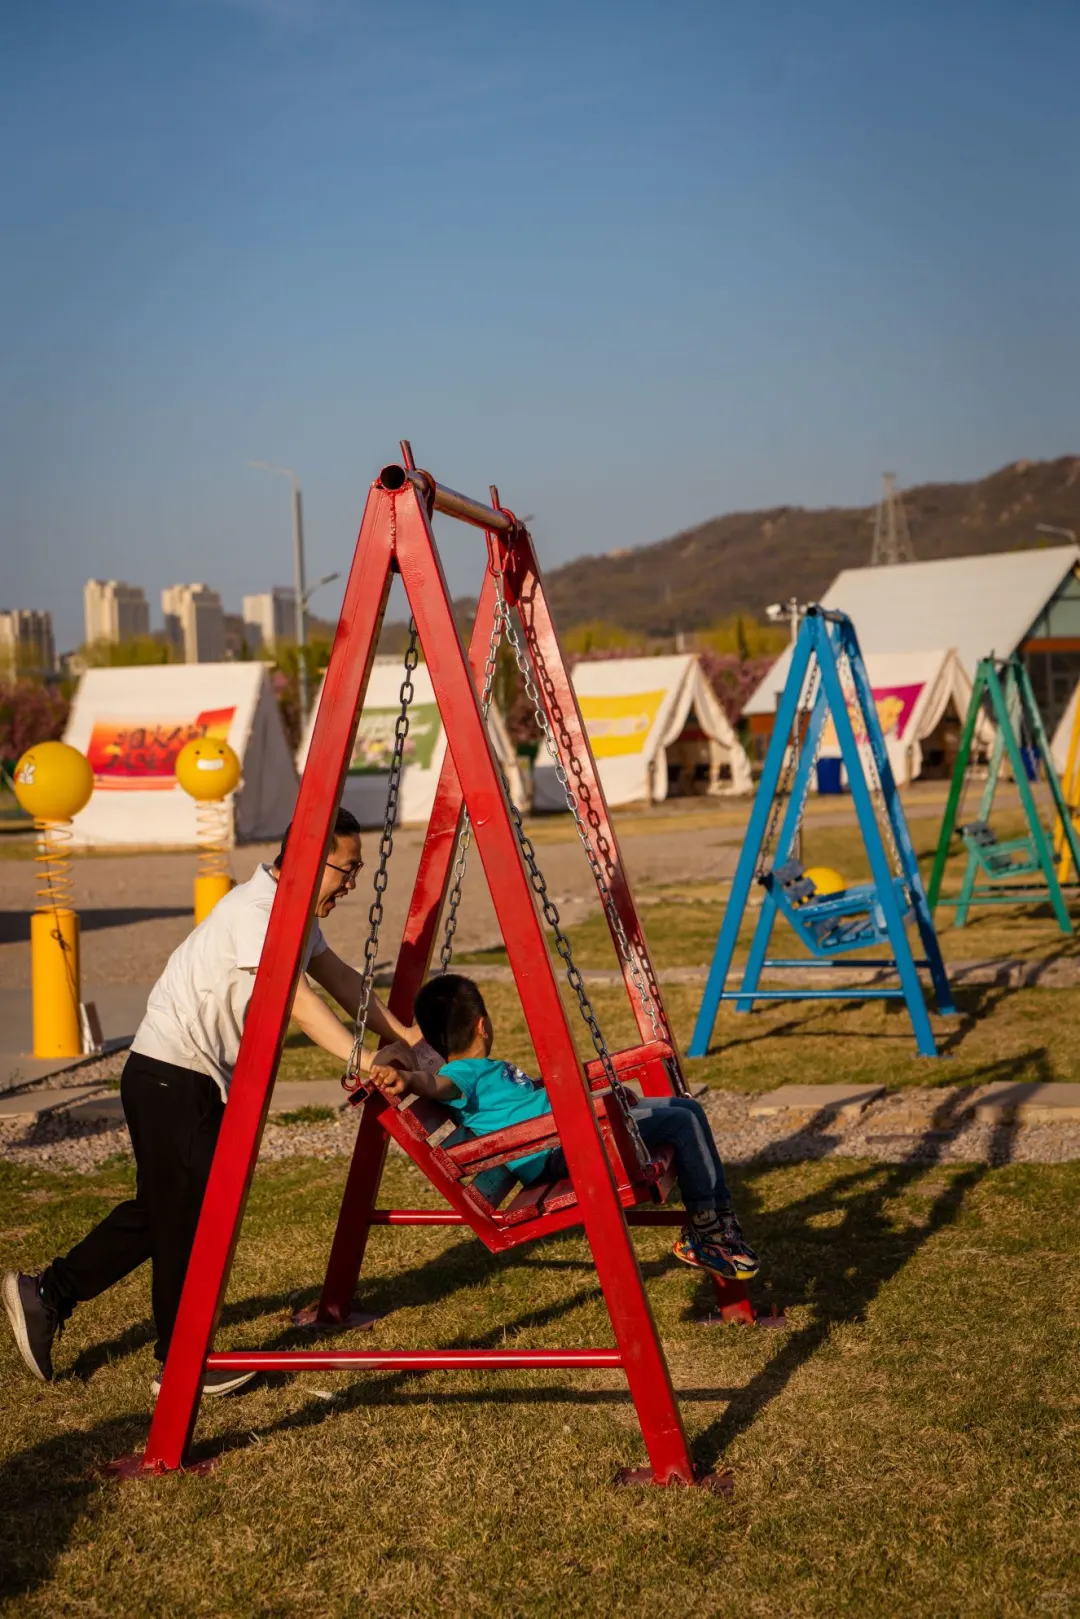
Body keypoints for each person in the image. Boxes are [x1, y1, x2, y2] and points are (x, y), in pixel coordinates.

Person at [2, 807, 420, 1398]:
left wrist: (410, 1039)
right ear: (307, 861)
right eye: (345, 871)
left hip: (181, 1077)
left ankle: (47, 1295)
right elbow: (298, 1001)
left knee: (166, 1214)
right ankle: (179, 1363)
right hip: (173, 1075)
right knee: (189, 1225)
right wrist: (363, 1062)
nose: (351, 884)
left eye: (356, 872)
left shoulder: (293, 913)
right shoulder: (256, 913)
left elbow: (342, 980)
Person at [371, 973, 759, 1281]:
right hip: (553, 1149)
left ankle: (716, 1221)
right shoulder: (462, 1073)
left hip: (564, 1137)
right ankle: (708, 1233)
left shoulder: (484, 1069)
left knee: (682, 1109)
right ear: (483, 1026)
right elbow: (438, 1085)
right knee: (681, 1120)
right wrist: (410, 1080)